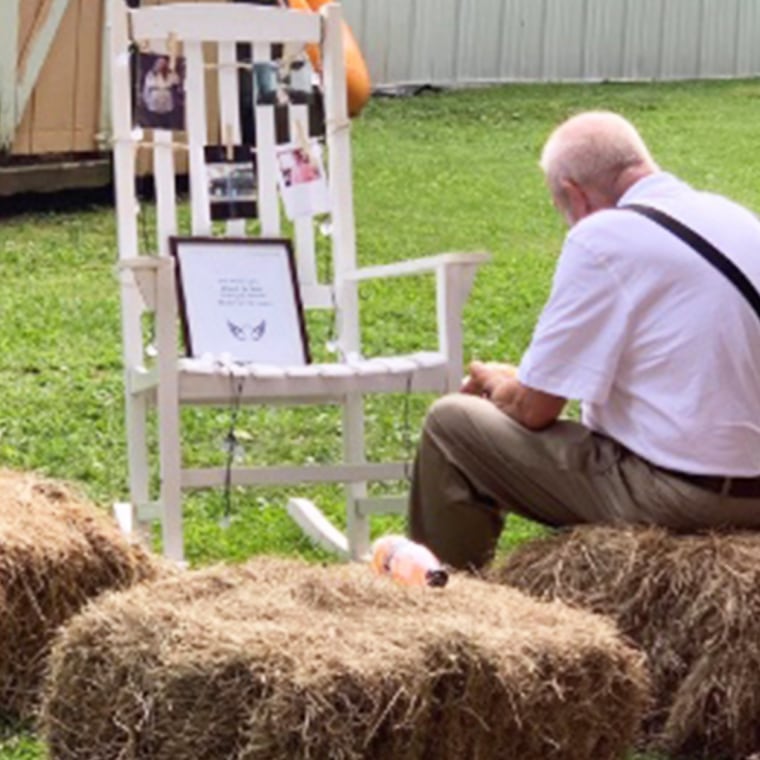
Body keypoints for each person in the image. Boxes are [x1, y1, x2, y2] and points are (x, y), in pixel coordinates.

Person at [408, 111, 760, 570]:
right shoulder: (734, 217)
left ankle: (448, 606)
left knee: (451, 425)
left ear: (575, 195)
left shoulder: (602, 236)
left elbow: (534, 410)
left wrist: (500, 383)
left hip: (688, 498)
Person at [141, 56, 181, 129]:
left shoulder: (170, 74)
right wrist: (146, 99)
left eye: (163, 64)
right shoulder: (151, 74)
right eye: (160, 64)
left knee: (166, 116)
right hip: (155, 97)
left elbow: (177, 81)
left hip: (166, 96)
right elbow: (147, 87)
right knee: (155, 116)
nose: (162, 66)